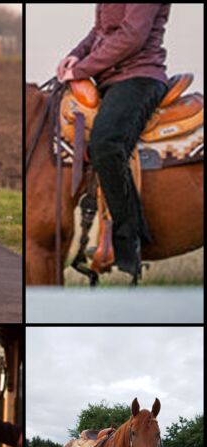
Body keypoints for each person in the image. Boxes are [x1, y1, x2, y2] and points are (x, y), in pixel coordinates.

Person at [57, 4, 171, 278]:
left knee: (106, 145)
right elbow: (99, 31)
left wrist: (82, 69)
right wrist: (75, 56)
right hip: (109, 78)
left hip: (139, 77)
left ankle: (129, 240)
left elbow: (133, 35)